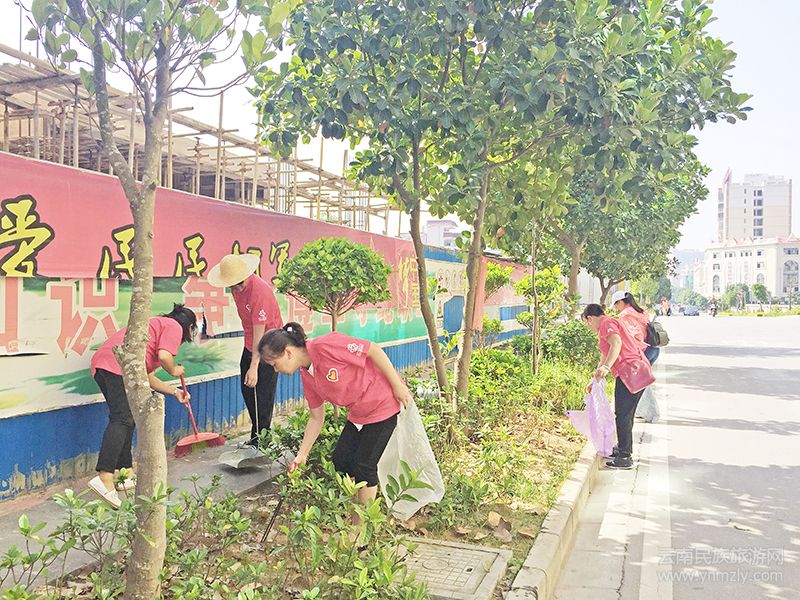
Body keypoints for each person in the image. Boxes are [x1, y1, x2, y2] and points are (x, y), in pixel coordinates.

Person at [258, 323, 412, 507]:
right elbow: (316, 417)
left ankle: (363, 521)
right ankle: (357, 510)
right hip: (359, 413)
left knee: (364, 467)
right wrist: (302, 455)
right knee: (341, 462)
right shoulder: (307, 375)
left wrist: (397, 385)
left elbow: (373, 349)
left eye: (275, 364)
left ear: (288, 353)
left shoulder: (326, 345)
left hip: (382, 402)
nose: (276, 370)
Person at [88, 304, 196, 508]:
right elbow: (165, 356)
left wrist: (175, 392)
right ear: (190, 327)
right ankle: (104, 476)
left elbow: (148, 378)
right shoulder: (173, 325)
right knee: (122, 418)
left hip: (104, 365)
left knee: (127, 418)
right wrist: (174, 370)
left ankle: (125, 472)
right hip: (117, 365)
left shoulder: (154, 327)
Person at [208, 254, 283, 450]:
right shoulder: (236, 289)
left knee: (263, 396)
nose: (236, 288)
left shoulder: (260, 292)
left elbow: (260, 332)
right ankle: (257, 436)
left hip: (269, 345)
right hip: (251, 344)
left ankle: (262, 442)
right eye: (232, 284)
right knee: (248, 390)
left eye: (238, 283)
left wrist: (254, 366)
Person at [582, 303, 648, 470]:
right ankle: (622, 448)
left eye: (586, 323)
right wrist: (594, 380)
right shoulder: (606, 326)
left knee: (623, 414)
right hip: (632, 371)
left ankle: (625, 456)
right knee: (625, 413)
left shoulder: (606, 323)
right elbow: (605, 354)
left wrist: (606, 367)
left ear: (590, 318)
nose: (588, 327)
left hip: (631, 371)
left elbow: (616, 344)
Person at [612, 290, 660, 423]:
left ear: (621, 302)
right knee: (641, 382)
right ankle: (644, 412)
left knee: (639, 383)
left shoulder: (625, 315)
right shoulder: (640, 311)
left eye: (616, 305)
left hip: (642, 351)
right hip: (652, 349)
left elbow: (636, 335)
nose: (616, 308)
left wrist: (633, 352)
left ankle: (651, 414)